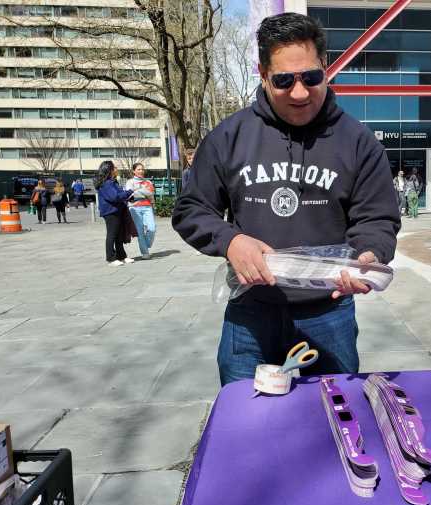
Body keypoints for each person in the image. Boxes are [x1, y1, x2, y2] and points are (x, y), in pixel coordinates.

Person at [172, 12, 401, 386]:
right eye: (283, 80)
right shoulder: (229, 137)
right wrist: (231, 241)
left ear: (325, 66)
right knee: (245, 417)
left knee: (332, 419)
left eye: (311, 77)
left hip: (329, 314)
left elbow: (378, 219)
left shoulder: (357, 142)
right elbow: (191, 209)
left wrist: (369, 255)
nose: (300, 92)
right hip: (250, 314)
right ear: (262, 73)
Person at [96, 160, 134, 266]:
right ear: (109, 170)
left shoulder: (112, 182)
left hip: (117, 210)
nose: (116, 169)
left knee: (119, 235)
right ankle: (111, 258)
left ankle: (121, 256)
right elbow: (114, 197)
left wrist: (128, 196)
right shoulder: (106, 184)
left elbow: (119, 194)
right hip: (111, 212)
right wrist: (129, 192)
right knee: (112, 234)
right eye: (114, 167)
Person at [124, 163, 157, 259]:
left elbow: (151, 194)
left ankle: (146, 244)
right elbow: (130, 195)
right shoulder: (130, 182)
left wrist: (137, 191)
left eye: (142, 169)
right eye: (138, 169)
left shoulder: (148, 182)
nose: (141, 171)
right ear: (134, 171)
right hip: (134, 207)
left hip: (147, 207)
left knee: (152, 228)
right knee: (140, 230)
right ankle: (145, 252)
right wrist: (143, 192)